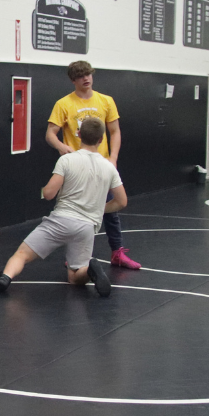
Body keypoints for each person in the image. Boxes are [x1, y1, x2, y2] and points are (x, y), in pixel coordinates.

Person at [0, 117, 127, 297]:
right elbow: (121, 201)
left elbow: (49, 194)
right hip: (87, 226)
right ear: (102, 139)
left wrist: (45, 189)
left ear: (78, 135)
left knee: (22, 254)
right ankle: (89, 271)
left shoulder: (67, 160)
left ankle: (4, 280)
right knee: (74, 276)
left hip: (61, 220)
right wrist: (98, 209)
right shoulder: (109, 168)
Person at [46, 60, 140, 270]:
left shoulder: (106, 101)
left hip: (101, 163)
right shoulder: (64, 104)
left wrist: (113, 158)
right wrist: (62, 146)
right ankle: (74, 256)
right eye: (80, 76)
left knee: (112, 210)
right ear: (73, 80)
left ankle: (117, 252)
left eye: (88, 74)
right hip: (77, 167)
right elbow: (50, 134)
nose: (86, 79)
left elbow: (115, 131)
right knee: (73, 211)